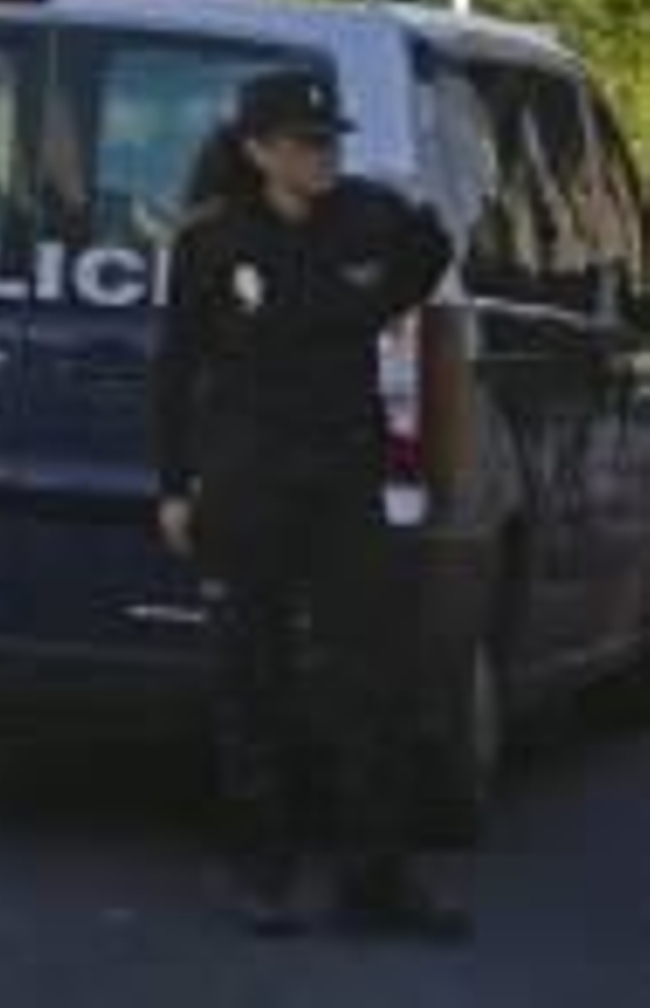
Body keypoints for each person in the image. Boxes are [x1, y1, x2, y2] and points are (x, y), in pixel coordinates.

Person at [152, 66, 469, 943]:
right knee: (252, 675)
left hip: (343, 475)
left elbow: (425, 254)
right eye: (302, 142)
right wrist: (173, 485)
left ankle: (376, 875)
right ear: (258, 151)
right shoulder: (214, 241)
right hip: (248, 477)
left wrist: (381, 303)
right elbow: (175, 368)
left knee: (370, 677)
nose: (322, 155)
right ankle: (263, 870)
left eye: (329, 140)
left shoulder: (367, 216)